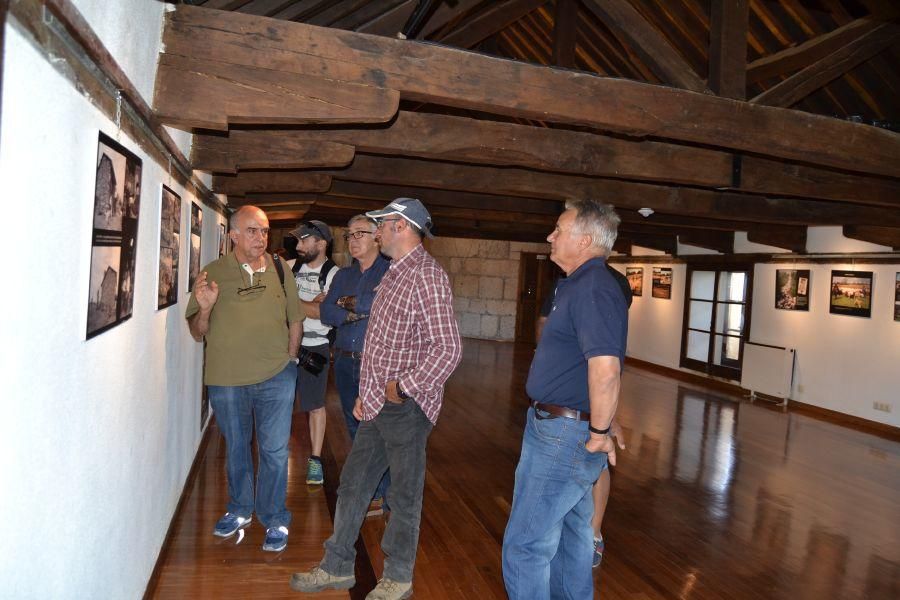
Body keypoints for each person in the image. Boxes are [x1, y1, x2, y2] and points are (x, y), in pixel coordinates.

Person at [290, 198, 462, 600]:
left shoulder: (427, 276)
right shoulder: (395, 274)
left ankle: (399, 577)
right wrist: (367, 394)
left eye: (382, 224)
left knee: (403, 494)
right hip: (377, 405)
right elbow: (380, 344)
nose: (376, 230)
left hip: (405, 407)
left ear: (401, 226)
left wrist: (405, 387)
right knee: (353, 485)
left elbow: (448, 348)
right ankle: (337, 567)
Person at [502, 199, 628, 599]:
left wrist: (598, 431)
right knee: (574, 535)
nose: (549, 236)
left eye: (559, 230)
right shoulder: (577, 285)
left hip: (564, 436)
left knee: (525, 544)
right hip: (561, 427)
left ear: (586, 240)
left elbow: (606, 368)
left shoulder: (594, 287)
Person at [185, 205, 304, 552]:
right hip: (227, 380)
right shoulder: (213, 273)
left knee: (275, 451)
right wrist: (205, 308)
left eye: (264, 231)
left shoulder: (281, 269)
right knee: (236, 448)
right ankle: (239, 509)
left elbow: (295, 317)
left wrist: (291, 360)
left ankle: (274, 516)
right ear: (233, 235)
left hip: (276, 376)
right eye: (252, 230)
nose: (260, 238)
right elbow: (196, 331)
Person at [536, 264, 631, 569]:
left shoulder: (614, 283)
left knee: (598, 462)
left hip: (596, 383)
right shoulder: (562, 284)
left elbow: (609, 357)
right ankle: (570, 533)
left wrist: (609, 413)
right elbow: (542, 326)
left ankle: (594, 533)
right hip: (566, 386)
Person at [319, 215, 391, 516]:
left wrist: (350, 305)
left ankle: (384, 494)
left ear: (377, 237)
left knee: (379, 431)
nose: (352, 240)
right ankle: (370, 488)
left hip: (377, 365)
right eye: (349, 235)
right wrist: (353, 313)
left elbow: (380, 307)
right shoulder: (344, 276)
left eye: (360, 233)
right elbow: (325, 311)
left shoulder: (391, 272)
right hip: (347, 363)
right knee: (354, 427)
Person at [288, 220, 339, 486]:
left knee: (315, 404)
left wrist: (291, 300)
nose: (297, 246)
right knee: (279, 401)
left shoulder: (335, 275)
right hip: (285, 344)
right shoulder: (287, 267)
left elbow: (323, 313)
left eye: (303, 240)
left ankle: (315, 460)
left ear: (321, 243)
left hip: (315, 345)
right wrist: (310, 303)